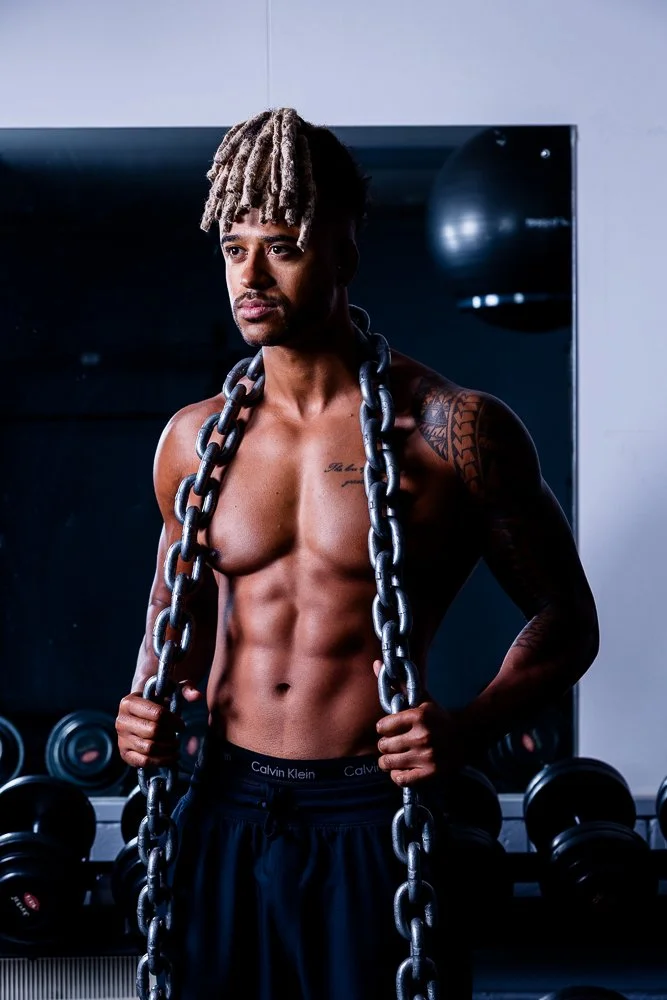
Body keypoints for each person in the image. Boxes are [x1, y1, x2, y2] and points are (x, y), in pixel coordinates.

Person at [115, 107, 599, 1000]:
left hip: (373, 816)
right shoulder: (192, 442)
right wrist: (145, 702)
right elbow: (169, 610)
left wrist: (464, 729)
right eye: (233, 247)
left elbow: (566, 620)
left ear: (344, 249)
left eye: (283, 245)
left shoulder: (453, 432)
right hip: (221, 806)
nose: (250, 276)